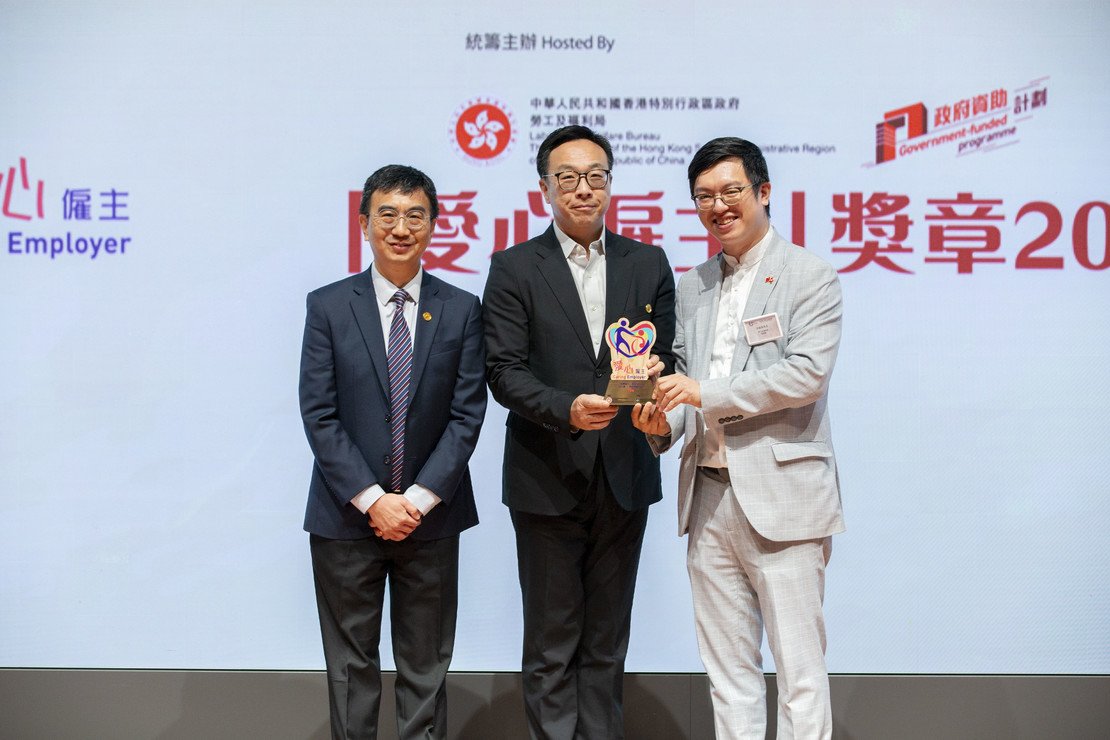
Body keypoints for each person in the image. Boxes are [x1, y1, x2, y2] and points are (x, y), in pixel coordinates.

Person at [631, 137, 845, 739]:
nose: (718, 206)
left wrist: (703, 393)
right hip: (707, 496)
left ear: (763, 192)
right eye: (704, 196)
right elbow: (679, 381)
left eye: (731, 191)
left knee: (800, 673)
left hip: (785, 500)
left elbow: (806, 375)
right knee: (728, 674)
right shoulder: (692, 285)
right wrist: (661, 424)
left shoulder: (810, 275)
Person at [482, 125, 676, 739]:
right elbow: (503, 371)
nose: (583, 189)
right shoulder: (514, 267)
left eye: (596, 176)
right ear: (544, 188)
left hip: (624, 473)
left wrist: (656, 383)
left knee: (607, 643)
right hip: (547, 475)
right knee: (550, 642)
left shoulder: (647, 263)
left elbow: (668, 355)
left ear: (611, 184)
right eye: (567, 178)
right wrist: (564, 407)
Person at [299, 164, 486, 740]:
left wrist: (418, 500)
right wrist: (373, 499)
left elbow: (467, 415)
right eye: (387, 214)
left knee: (425, 668)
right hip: (345, 518)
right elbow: (319, 413)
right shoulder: (329, 306)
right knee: (350, 671)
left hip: (432, 520)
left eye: (415, 216)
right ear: (363, 224)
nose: (401, 228)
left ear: (433, 225)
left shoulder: (461, 308)